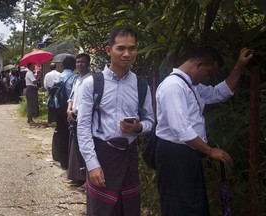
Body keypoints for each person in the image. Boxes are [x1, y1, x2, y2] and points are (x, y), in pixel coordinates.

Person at [155, 46, 253, 216]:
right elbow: (181, 130)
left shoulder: (191, 86)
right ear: (199, 64)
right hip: (174, 155)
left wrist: (239, 66)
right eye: (209, 72)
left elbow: (220, 93)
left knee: (193, 205)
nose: (208, 78)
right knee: (180, 207)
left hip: (189, 154)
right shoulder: (173, 87)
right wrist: (210, 151)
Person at [77, 26, 154, 216]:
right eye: (121, 48)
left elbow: (151, 120)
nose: (127, 54)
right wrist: (92, 164)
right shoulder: (92, 84)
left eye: (132, 48)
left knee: (128, 209)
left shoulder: (141, 85)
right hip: (102, 155)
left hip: (128, 154)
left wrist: (138, 127)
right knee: (102, 210)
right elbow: (83, 126)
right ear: (108, 50)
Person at [66, 53, 91, 189]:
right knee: (75, 148)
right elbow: (71, 97)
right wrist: (69, 109)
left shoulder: (91, 81)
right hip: (74, 117)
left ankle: (88, 179)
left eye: (83, 62)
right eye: (78, 62)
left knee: (85, 147)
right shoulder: (77, 80)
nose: (80, 64)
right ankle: (77, 177)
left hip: (85, 118)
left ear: (88, 64)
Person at [54, 56, 77, 169]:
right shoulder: (75, 78)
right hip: (69, 110)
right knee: (71, 135)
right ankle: (71, 163)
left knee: (61, 134)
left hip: (58, 109)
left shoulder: (58, 76)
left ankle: (63, 162)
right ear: (74, 65)